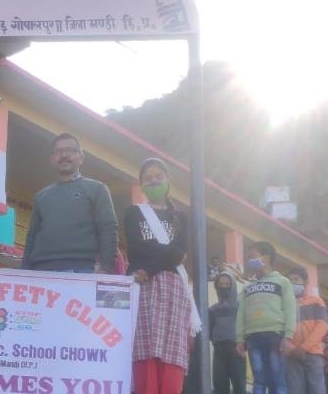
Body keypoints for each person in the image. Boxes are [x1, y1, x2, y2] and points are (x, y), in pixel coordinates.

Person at [124, 158, 196, 394]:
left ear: (168, 181)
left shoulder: (182, 217)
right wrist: (164, 257)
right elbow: (137, 248)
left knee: (172, 351)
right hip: (144, 286)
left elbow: (180, 252)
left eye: (158, 176)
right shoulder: (134, 213)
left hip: (173, 288)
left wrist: (153, 265)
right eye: (148, 178)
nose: (154, 181)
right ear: (141, 184)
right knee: (144, 348)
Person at [21, 133, 118, 273]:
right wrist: (24, 271)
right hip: (41, 271)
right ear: (52, 159)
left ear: (81, 158)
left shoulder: (97, 189)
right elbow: (32, 236)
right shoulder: (41, 196)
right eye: (59, 152)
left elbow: (108, 228)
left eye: (71, 150)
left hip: (82, 269)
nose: (64, 155)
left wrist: (106, 268)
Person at [235, 241, 295, 394]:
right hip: (252, 337)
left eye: (253, 256)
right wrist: (239, 339)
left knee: (278, 380)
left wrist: (288, 336)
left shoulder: (283, 282)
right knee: (259, 381)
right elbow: (241, 313)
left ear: (267, 257)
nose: (250, 260)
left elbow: (290, 310)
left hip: (275, 335)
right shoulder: (247, 286)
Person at [286, 266, 328, 394]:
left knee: (316, 389)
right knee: (295, 390)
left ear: (305, 282)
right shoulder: (285, 303)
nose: (292, 283)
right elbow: (282, 328)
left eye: (296, 279)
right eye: (289, 280)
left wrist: (304, 347)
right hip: (292, 354)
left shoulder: (316, 301)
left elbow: (323, 326)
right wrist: (291, 348)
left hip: (313, 353)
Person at [210, 272, 246, 394]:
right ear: (216, 287)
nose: (223, 287)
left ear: (233, 286)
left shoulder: (240, 306)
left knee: (239, 385)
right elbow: (210, 329)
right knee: (219, 385)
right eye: (220, 284)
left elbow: (245, 326)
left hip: (236, 348)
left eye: (227, 284)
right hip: (219, 349)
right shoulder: (212, 309)